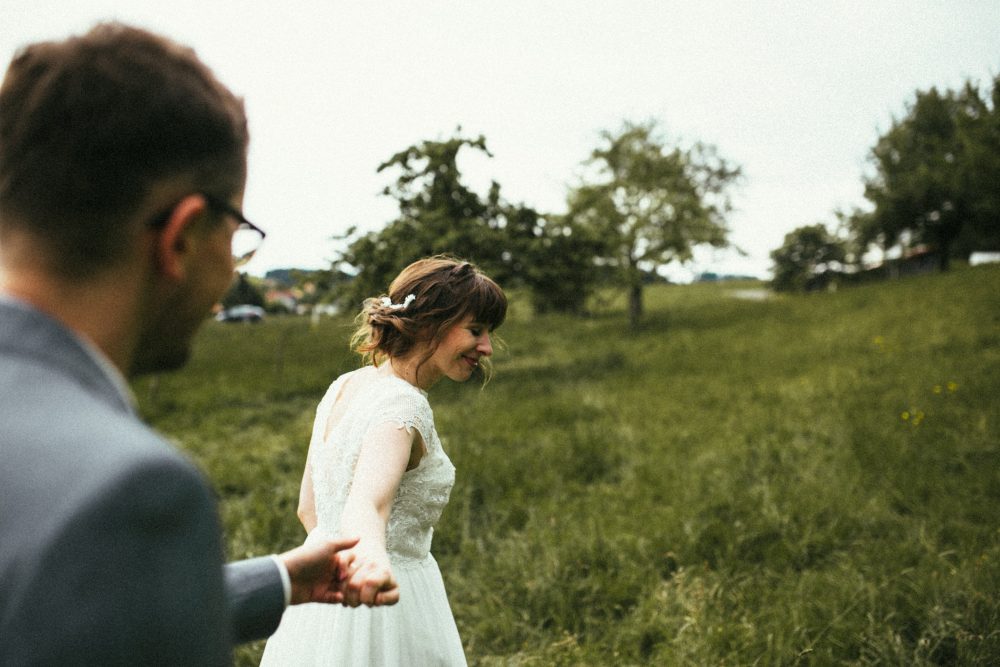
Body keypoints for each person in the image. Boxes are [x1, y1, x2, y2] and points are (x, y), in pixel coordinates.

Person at [0, 23, 396, 666]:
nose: (232, 269)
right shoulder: (129, 492)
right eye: (237, 233)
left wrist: (280, 581)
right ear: (182, 236)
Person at [260, 256, 507, 665]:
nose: (486, 347)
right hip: (387, 601)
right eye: (476, 330)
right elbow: (370, 503)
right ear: (432, 324)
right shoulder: (403, 406)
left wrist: (341, 573)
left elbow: (309, 508)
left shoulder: (345, 386)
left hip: (320, 599)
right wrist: (371, 564)